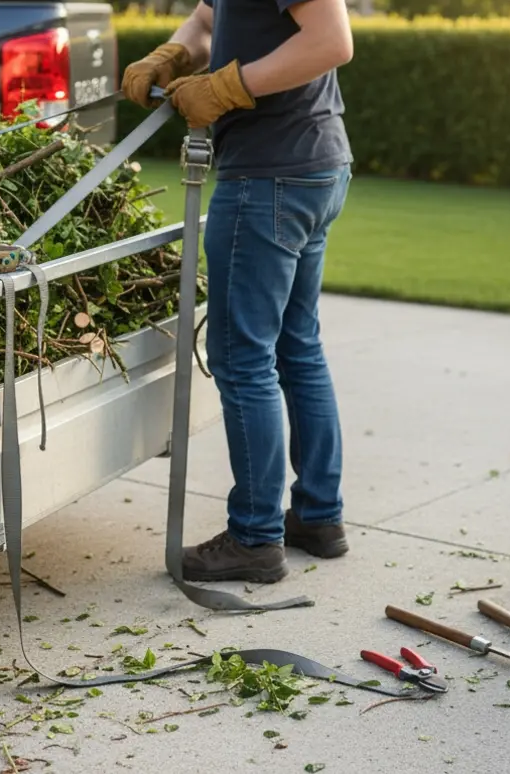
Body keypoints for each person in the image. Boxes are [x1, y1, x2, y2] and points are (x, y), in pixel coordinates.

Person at [121, 0, 355, 584]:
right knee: (297, 346)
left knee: (243, 358)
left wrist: (228, 87)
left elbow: (331, 41)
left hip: (269, 176)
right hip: (309, 165)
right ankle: (318, 517)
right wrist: (172, 54)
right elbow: (207, 20)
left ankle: (254, 538)